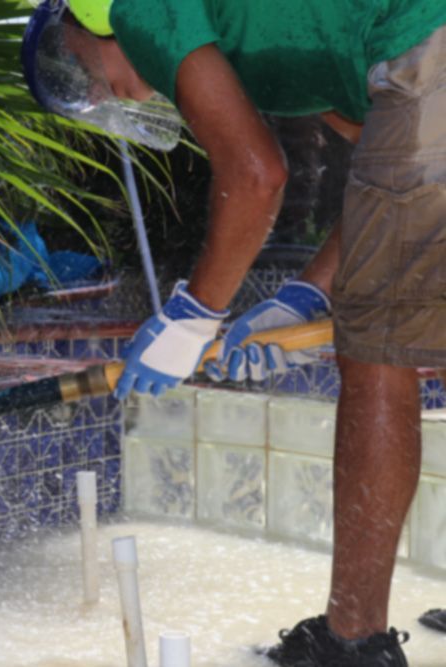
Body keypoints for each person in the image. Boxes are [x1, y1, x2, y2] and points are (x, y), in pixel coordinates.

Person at [22, 1, 446, 665]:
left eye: (82, 69)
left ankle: (354, 645)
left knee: (372, 354)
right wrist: (305, 294)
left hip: (429, 40)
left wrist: (193, 316)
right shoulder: (259, 57)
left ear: (88, 26)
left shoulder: (140, 8)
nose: (106, 94)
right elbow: (385, 168)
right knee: (387, 324)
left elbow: (256, 175)